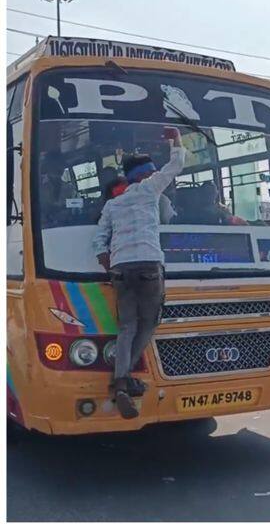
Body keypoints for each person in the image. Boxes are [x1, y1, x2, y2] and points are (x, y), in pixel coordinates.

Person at [92, 129, 186, 419]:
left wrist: (113, 269)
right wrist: (177, 138)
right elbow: (177, 164)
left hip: (121, 268)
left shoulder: (112, 204)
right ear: (146, 175)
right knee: (150, 323)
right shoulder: (150, 189)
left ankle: (123, 381)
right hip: (148, 265)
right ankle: (123, 378)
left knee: (126, 327)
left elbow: (99, 244)